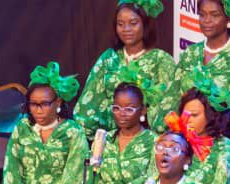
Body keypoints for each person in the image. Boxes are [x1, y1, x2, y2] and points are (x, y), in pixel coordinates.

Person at [73, 0, 176, 138]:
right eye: (120, 24)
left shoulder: (161, 60)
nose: (126, 29)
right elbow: (88, 103)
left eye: (133, 23)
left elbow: (168, 108)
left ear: (145, 24)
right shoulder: (109, 58)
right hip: (110, 138)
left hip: (148, 139)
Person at [161, 0, 230, 139]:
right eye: (202, 14)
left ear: (229, 19)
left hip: (220, 141)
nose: (207, 20)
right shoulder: (190, 53)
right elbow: (171, 99)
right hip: (183, 137)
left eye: (214, 15)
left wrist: (207, 133)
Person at [176, 66, 230, 184]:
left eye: (194, 115)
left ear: (211, 116)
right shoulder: (174, 140)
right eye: (185, 114)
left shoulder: (224, 148)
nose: (187, 119)